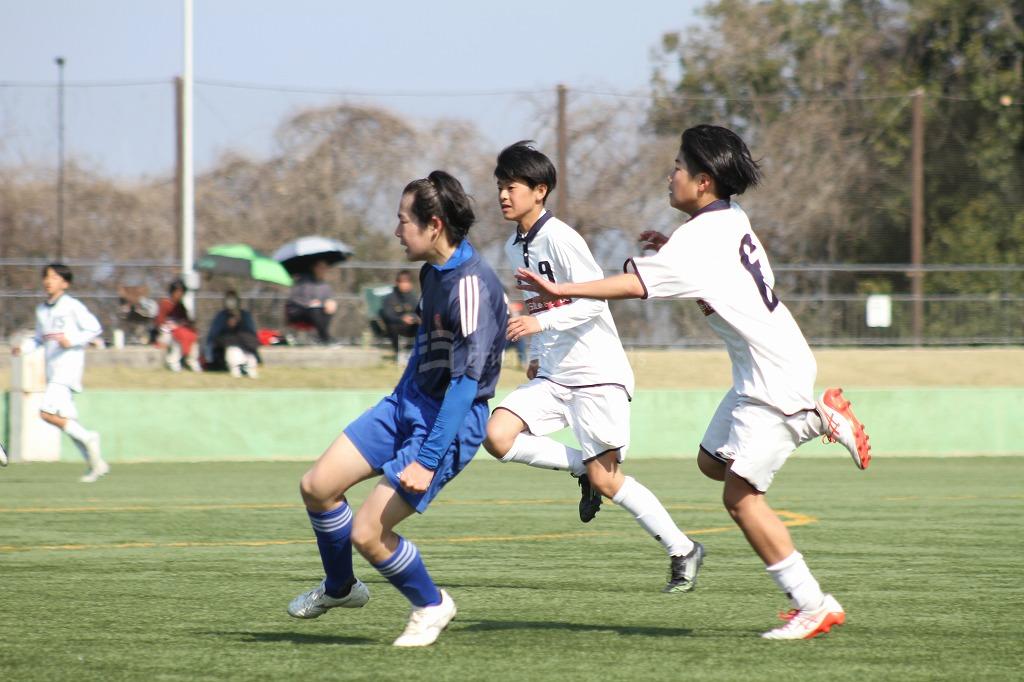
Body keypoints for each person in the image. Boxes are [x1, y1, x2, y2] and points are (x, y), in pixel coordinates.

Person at [516, 124, 872, 640]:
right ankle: (817, 418)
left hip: (773, 377)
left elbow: (633, 285)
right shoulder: (728, 219)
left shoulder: (699, 238)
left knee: (741, 499)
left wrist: (560, 288)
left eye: (678, 167)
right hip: (762, 370)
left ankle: (813, 604)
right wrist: (668, 251)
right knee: (711, 463)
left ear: (704, 181)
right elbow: (709, 270)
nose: (670, 175)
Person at [287, 170, 508, 648]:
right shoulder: (432, 272)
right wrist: (400, 399)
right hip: (407, 403)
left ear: (434, 225)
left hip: (449, 421)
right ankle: (341, 588)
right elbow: (428, 348)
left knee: (368, 533)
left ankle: (431, 604)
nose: (396, 231)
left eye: (403, 220)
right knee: (317, 487)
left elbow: (465, 384)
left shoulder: (470, 286)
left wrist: (427, 460)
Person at [483, 141, 704, 593]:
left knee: (608, 480)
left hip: (597, 374)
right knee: (497, 436)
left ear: (540, 191)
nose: (503, 195)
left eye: (512, 186)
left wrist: (539, 324)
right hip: (555, 373)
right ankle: (582, 467)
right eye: (500, 186)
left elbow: (593, 302)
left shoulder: (561, 238)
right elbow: (540, 303)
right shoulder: (513, 246)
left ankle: (683, 549)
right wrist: (539, 352)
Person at [12, 263, 109, 482]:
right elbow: (39, 338)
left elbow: (94, 328)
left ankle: (90, 438)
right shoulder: (42, 310)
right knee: (67, 421)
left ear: (65, 284)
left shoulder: (72, 306)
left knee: (46, 413)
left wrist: (72, 340)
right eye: (47, 277)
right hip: (52, 370)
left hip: (67, 369)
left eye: (55, 277)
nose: (49, 281)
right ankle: (97, 464)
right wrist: (23, 348)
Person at [204, 290, 261, 378]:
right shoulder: (221, 316)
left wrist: (240, 322)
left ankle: (249, 366)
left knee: (246, 343)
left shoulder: (245, 315)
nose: (231, 302)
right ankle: (236, 367)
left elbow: (251, 332)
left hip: (245, 344)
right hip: (226, 345)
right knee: (232, 346)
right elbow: (213, 335)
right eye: (229, 299)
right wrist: (227, 326)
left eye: (233, 299)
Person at [285, 259, 337, 344]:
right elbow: (295, 299)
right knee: (315, 309)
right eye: (320, 267)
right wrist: (309, 303)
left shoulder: (325, 286)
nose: (323, 270)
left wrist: (330, 303)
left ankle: (322, 337)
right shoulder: (302, 282)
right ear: (314, 268)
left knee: (328, 308)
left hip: (316, 313)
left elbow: (327, 300)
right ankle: (325, 338)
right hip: (298, 311)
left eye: (324, 268)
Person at [155, 279, 201, 372]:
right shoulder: (165, 304)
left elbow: (186, 321)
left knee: (192, 336)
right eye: (177, 291)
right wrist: (170, 327)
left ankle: (192, 361)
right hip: (166, 333)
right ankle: (173, 362)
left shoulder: (181, 306)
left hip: (180, 331)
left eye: (182, 292)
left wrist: (185, 324)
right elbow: (159, 322)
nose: (179, 294)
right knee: (176, 339)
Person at [378, 269, 420, 361]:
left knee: (421, 324)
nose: (405, 285)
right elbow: (387, 315)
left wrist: (413, 318)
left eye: (407, 282)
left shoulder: (413, 298)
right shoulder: (389, 298)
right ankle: (398, 352)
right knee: (392, 326)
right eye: (403, 282)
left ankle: (411, 351)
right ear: (397, 283)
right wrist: (401, 319)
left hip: (411, 327)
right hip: (396, 327)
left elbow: (418, 313)